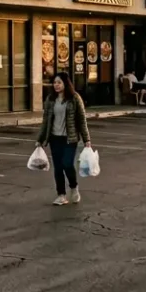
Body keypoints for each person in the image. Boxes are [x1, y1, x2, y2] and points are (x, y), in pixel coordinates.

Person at [36, 72, 93, 205]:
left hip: (70, 138)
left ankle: (74, 187)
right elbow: (46, 121)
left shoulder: (74, 98)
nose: (56, 85)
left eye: (59, 82)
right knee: (58, 167)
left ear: (65, 84)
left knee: (67, 164)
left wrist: (87, 140)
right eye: (54, 82)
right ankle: (61, 195)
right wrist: (40, 139)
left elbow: (81, 120)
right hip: (54, 138)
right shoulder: (50, 99)